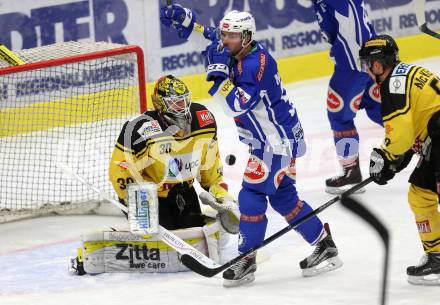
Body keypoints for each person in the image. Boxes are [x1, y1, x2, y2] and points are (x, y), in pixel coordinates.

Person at [160, 5, 343, 287]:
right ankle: (323, 243)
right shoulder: (236, 48)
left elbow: (236, 105)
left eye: (232, 36)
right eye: (225, 34)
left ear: (247, 37)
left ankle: (246, 259)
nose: (225, 40)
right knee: (284, 199)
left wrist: (219, 74)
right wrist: (186, 21)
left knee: (251, 195)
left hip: (275, 143)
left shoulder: (256, 64)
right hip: (277, 139)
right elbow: (206, 37)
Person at [70, 75, 240, 276]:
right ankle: (89, 255)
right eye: (175, 103)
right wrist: (139, 204)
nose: (182, 108)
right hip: (148, 196)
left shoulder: (205, 121)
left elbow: (210, 171)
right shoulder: (139, 129)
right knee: (155, 243)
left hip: (183, 192)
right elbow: (120, 169)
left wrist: (222, 198)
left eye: (184, 101)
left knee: (193, 236)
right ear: (160, 104)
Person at [359, 35, 440, 286]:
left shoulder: (392, 84)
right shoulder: (408, 72)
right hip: (436, 142)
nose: (368, 71)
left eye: (369, 64)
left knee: (422, 194)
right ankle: (437, 256)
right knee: (420, 194)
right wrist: (396, 160)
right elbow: (413, 130)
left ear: (380, 64)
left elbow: (401, 135)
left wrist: (386, 156)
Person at [310, 0, 383, 194]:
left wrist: (364, 59)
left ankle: (351, 172)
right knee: (382, 111)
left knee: (339, 116)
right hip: (366, 57)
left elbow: (353, 16)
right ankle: (431, 149)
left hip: (354, 61)